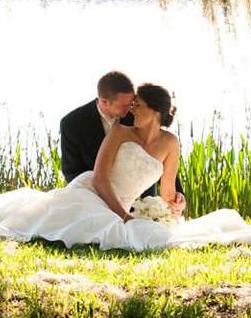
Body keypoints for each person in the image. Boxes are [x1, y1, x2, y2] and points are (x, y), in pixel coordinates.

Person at [0, 83, 251, 251]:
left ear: (155, 111)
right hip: (91, 193)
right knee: (73, 225)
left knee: (157, 236)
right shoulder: (119, 132)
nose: (131, 110)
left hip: (125, 205)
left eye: (137, 106)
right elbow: (101, 178)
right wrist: (123, 217)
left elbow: (167, 191)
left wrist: (175, 205)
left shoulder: (171, 143)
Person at [59, 71, 186, 216]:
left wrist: (177, 198)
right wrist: (100, 206)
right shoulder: (73, 123)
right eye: (126, 105)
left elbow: (158, 158)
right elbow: (72, 171)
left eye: (134, 103)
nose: (131, 109)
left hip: (140, 205)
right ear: (105, 102)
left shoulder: (140, 119)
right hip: (91, 197)